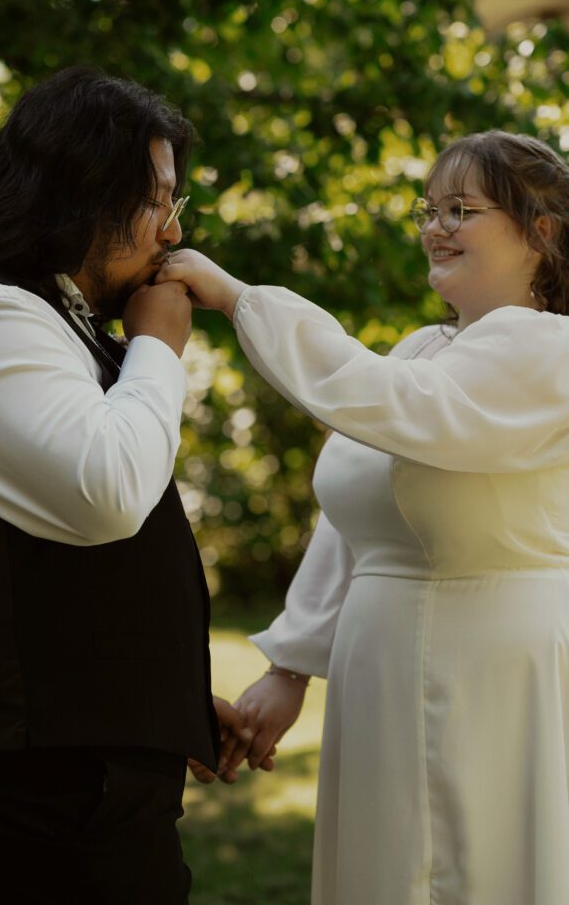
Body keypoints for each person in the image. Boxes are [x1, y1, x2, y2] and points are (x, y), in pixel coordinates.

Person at [155, 129, 569, 905]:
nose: (435, 226)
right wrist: (289, 668)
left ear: (538, 233)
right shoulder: (418, 352)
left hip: (491, 665)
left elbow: (399, 409)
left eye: (461, 209)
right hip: (378, 661)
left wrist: (243, 300)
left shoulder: (549, 350)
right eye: (428, 208)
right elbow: (352, 517)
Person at [0, 65, 252, 905]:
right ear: (82, 193)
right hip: (41, 773)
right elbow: (106, 492)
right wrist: (157, 346)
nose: (170, 233)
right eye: (155, 200)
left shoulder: (27, 310)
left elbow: (45, 561)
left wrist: (164, 695)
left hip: (70, 751)